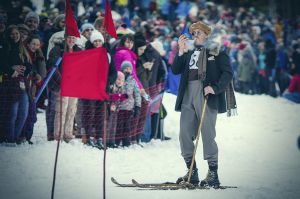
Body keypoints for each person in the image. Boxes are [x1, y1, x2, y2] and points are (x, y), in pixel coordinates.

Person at [171, 21, 233, 187]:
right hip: (187, 93)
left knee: (207, 134)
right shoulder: (188, 51)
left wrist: (215, 88)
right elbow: (175, 70)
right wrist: (181, 51)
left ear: (206, 34)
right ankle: (192, 171)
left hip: (206, 93)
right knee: (184, 133)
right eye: (193, 33)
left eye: (198, 32)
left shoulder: (215, 49)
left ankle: (213, 173)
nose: (195, 35)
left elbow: (228, 73)